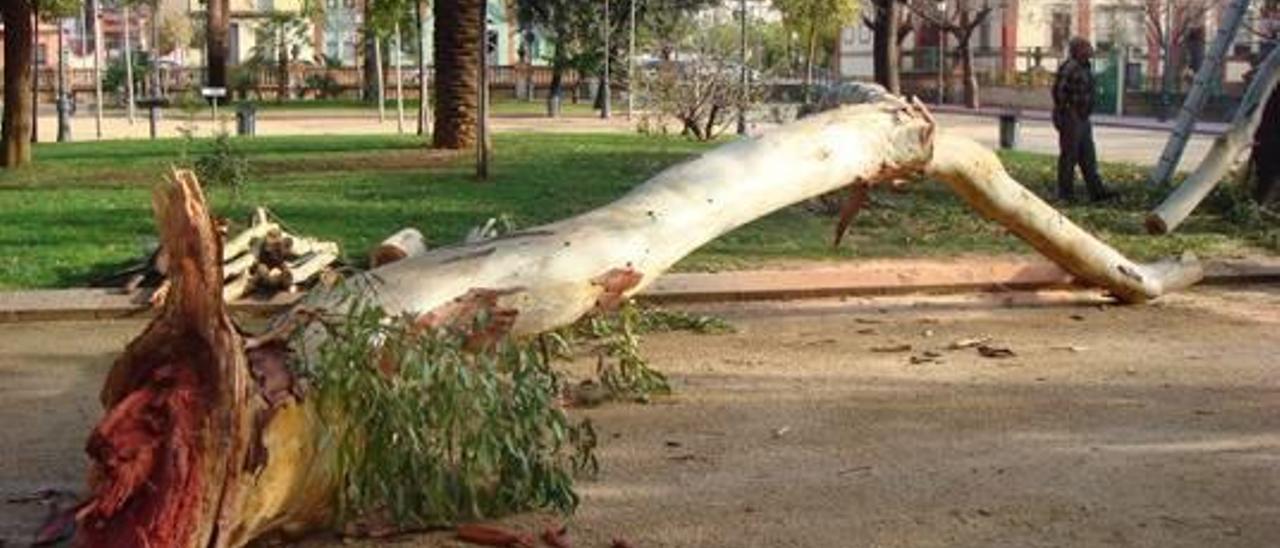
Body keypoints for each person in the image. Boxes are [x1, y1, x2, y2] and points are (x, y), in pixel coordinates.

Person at [1052, 37, 1116, 203]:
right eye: (1086, 47)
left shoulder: (1085, 67)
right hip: (1071, 117)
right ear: (1078, 50)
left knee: (1088, 155)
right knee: (1069, 157)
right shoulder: (1070, 67)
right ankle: (1065, 193)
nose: (1091, 49)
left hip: (1083, 117)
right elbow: (1059, 92)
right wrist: (1067, 111)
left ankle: (1097, 191)